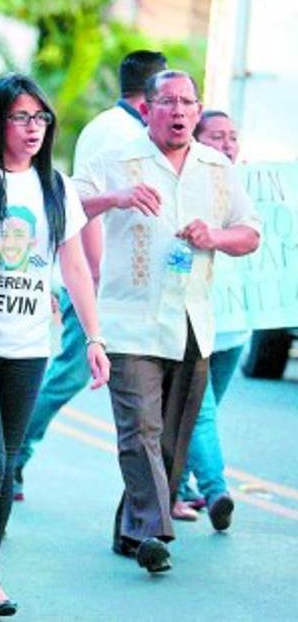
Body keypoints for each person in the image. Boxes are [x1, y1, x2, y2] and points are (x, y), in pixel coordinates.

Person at [0, 73, 109, 619]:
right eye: (21, 117)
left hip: (29, 343)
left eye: (40, 118)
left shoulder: (55, 187)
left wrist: (94, 337)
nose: (33, 128)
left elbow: (74, 267)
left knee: (5, 464)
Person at [75, 70, 260, 574]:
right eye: (167, 102)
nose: (178, 111)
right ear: (147, 109)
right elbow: (68, 207)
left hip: (192, 322)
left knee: (171, 439)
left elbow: (250, 233)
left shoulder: (217, 168)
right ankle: (155, 533)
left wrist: (214, 237)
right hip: (129, 321)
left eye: (187, 103)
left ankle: (131, 531)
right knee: (141, 428)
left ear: (197, 111)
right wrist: (115, 198)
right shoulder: (116, 159)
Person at [13, 50, 168, 502]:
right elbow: (82, 207)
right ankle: (14, 457)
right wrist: (95, 281)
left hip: (130, 284)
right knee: (69, 375)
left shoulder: (132, 130)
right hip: (100, 282)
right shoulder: (113, 133)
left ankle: (182, 486)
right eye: (168, 96)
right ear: (150, 95)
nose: (175, 108)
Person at [176, 109, 246, 531]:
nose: (227, 144)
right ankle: (216, 490)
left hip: (236, 326)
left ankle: (177, 489)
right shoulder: (189, 186)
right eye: (217, 136)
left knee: (199, 414)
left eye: (233, 136)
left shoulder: (246, 187)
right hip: (197, 322)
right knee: (199, 413)